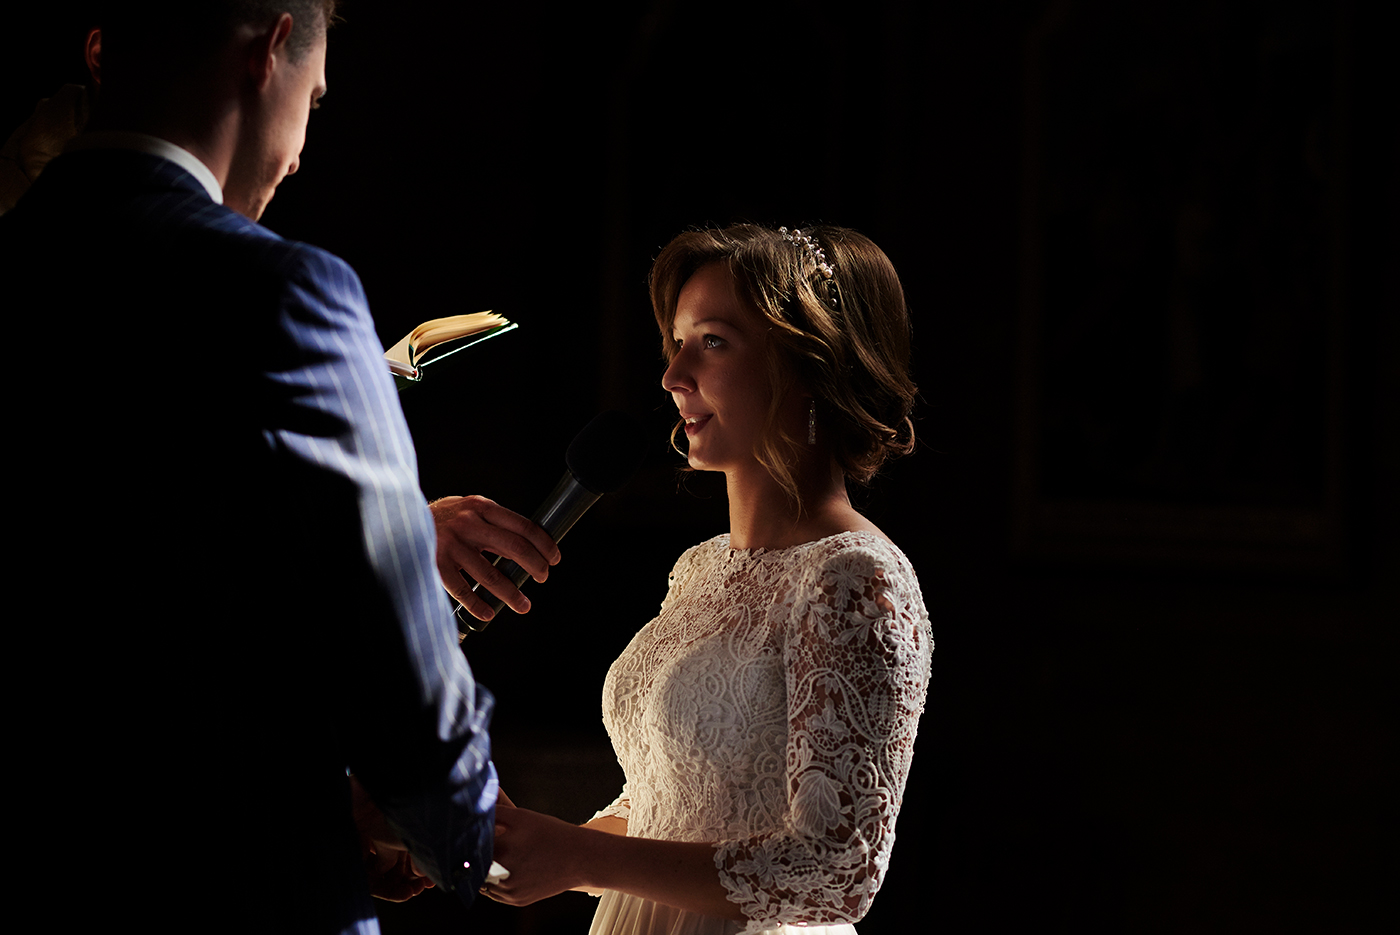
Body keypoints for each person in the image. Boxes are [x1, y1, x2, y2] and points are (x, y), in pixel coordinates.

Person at [1, 4, 557, 931]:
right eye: (317, 97)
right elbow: (403, 685)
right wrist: (459, 838)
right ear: (269, 51)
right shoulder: (287, 291)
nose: (298, 156)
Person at [483, 224, 933, 934]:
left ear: (809, 361)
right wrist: (540, 845)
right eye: (676, 342)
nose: (673, 376)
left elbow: (837, 871)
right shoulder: (701, 568)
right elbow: (678, 809)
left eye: (713, 342)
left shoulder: (854, 579)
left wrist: (581, 857)